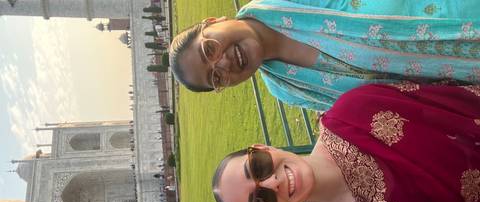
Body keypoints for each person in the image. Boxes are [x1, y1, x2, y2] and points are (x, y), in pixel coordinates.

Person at [211, 83, 480, 202]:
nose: (273, 182)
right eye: (261, 201)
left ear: (263, 149)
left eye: (258, 167)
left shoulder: (355, 110)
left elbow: (459, 103)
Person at [169, 0, 480, 110]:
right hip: (458, 85)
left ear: (213, 23)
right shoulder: (286, 89)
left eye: (210, 48)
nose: (224, 62)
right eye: (216, 77)